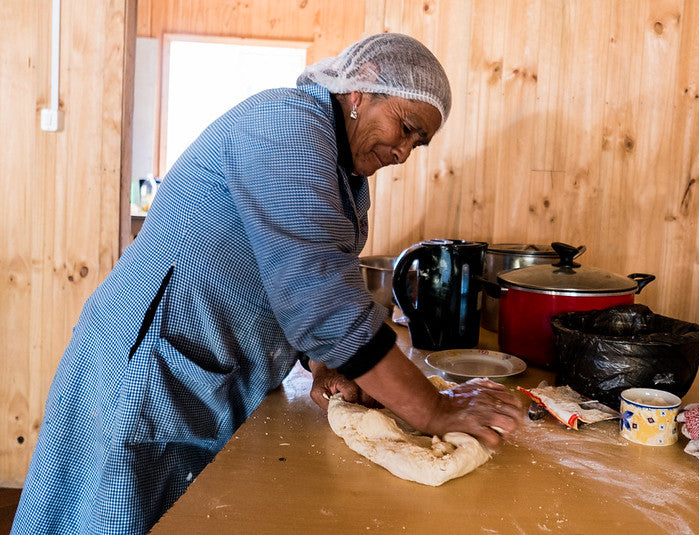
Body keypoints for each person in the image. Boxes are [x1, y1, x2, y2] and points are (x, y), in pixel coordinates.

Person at [12, 33, 524, 534]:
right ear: (361, 87)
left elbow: (291, 276)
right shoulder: (287, 124)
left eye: (419, 142)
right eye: (406, 126)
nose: (406, 152)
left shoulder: (346, 178)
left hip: (201, 371)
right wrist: (433, 409)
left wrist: (324, 364)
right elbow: (321, 297)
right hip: (145, 370)